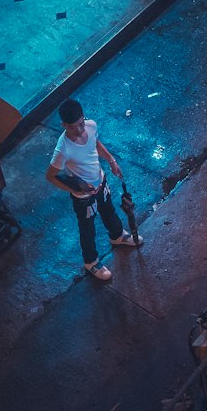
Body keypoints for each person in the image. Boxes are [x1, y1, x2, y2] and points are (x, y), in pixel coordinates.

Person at [46, 98, 142, 281]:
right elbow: (50, 176)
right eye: (74, 127)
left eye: (81, 123)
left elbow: (95, 144)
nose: (80, 130)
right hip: (83, 197)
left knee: (109, 211)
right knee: (87, 228)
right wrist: (74, 190)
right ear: (64, 125)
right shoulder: (62, 150)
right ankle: (91, 262)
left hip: (101, 182)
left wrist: (111, 161)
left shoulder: (91, 126)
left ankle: (117, 236)